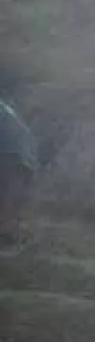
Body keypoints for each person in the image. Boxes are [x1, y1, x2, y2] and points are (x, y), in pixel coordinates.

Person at [0, 97, 35, 250]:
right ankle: (9, 231)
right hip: (19, 152)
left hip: (12, 152)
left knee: (9, 192)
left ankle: (8, 232)